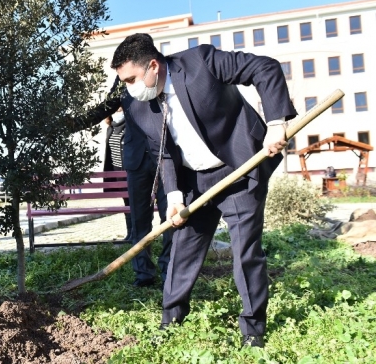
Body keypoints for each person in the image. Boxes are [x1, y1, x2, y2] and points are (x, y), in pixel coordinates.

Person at [111, 33, 297, 347]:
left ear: (153, 66)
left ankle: (253, 331)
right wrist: (173, 197)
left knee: (245, 251)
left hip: (238, 170)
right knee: (182, 251)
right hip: (194, 182)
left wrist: (276, 123)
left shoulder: (200, 62)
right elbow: (163, 151)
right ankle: (170, 322)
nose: (129, 88)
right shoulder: (137, 105)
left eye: (131, 79)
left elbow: (264, 67)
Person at [70, 79, 173, 289]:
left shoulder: (162, 72)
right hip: (135, 162)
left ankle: (169, 272)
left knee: (169, 218)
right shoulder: (122, 82)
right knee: (139, 221)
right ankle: (143, 273)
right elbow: (103, 109)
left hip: (166, 157)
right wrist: (70, 125)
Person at [103, 108, 132, 241]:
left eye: (119, 107)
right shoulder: (111, 127)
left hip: (129, 171)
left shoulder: (130, 125)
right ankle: (130, 232)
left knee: (133, 203)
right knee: (126, 203)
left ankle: (136, 233)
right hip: (117, 172)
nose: (117, 110)